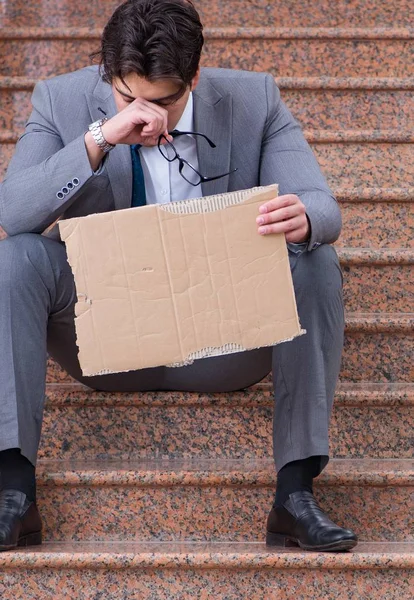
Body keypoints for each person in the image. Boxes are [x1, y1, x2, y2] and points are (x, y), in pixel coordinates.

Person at [0, 0, 357, 552]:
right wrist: (100, 139)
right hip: (104, 338)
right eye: (128, 96)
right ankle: (14, 493)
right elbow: (14, 212)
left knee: (315, 257)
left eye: (165, 100)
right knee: (16, 256)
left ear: (193, 76)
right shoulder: (61, 100)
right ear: (105, 74)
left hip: (225, 340)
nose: (149, 114)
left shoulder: (253, 98)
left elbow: (323, 205)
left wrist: (306, 217)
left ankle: (295, 493)